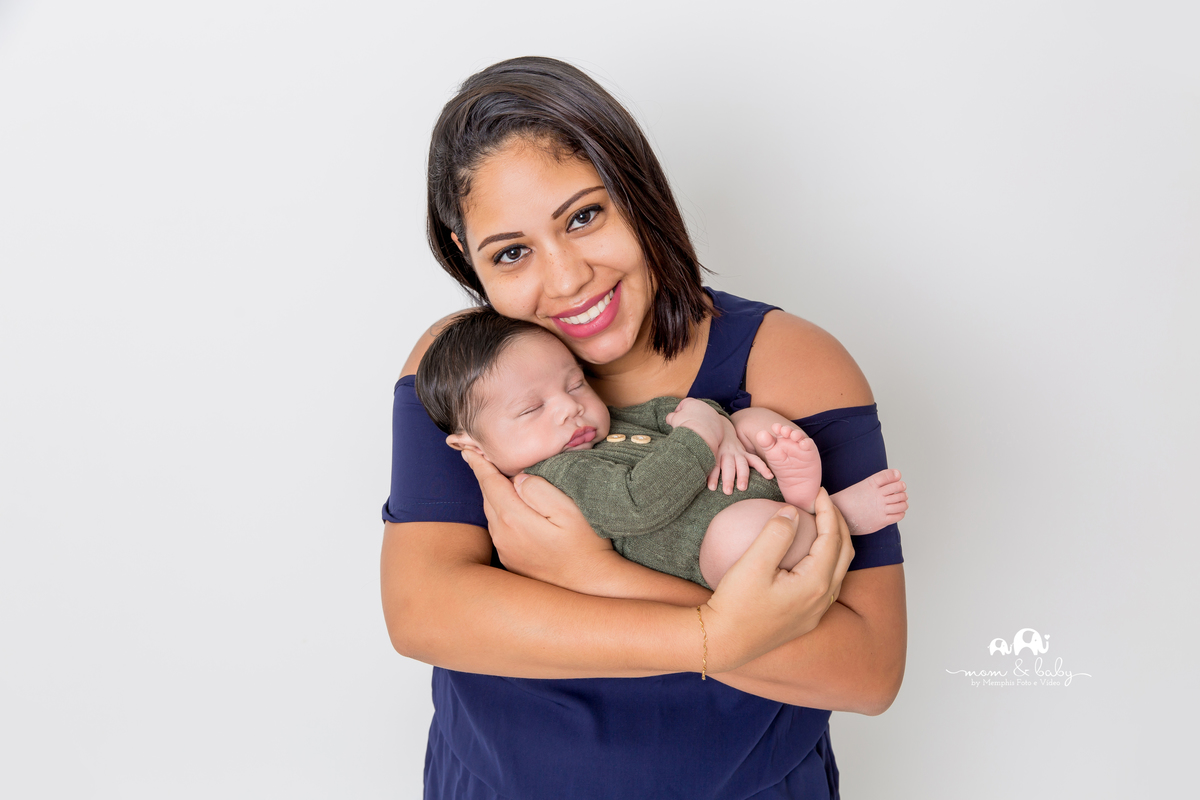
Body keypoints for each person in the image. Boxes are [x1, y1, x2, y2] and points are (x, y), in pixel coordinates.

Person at [381, 56, 906, 799]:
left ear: (638, 192)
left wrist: (595, 577)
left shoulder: (791, 363)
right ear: (470, 258)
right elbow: (424, 613)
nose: (566, 279)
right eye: (512, 252)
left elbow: (867, 670)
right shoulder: (463, 375)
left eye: (585, 216)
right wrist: (716, 635)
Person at [414, 307, 908, 589]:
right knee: (741, 539)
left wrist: (723, 427)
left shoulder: (603, 425)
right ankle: (829, 518)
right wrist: (699, 433)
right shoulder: (552, 478)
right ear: (471, 445)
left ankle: (793, 493)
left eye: (575, 384)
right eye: (530, 409)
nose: (570, 409)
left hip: (737, 475)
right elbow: (636, 505)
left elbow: (678, 409)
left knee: (751, 419)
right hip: (708, 541)